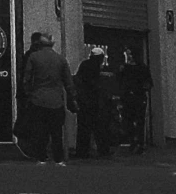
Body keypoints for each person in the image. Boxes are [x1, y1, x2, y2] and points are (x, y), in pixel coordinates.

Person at [18, 29, 74, 165]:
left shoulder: (34, 57)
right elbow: (68, 82)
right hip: (56, 100)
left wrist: (29, 93)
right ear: (52, 44)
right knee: (56, 132)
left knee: (40, 131)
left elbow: (26, 79)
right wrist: (72, 97)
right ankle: (59, 159)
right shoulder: (60, 59)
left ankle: (41, 157)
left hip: (38, 99)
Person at [73, 45, 115, 159]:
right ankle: (103, 150)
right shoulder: (95, 67)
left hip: (83, 101)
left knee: (83, 128)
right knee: (99, 127)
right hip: (93, 102)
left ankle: (82, 151)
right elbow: (95, 84)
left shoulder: (84, 65)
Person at [117, 51, 151, 152]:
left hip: (137, 97)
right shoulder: (126, 68)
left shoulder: (141, 68)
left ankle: (139, 143)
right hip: (129, 97)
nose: (130, 57)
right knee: (129, 120)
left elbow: (148, 82)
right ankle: (134, 142)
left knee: (139, 120)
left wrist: (142, 89)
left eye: (131, 54)